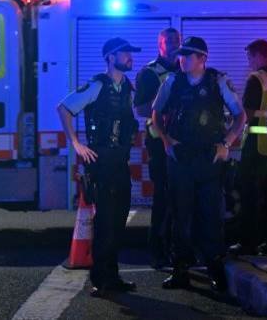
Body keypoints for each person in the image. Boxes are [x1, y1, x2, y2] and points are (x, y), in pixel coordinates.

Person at [152, 36, 246, 291]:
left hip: (209, 158)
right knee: (180, 215)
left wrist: (226, 143)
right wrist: (166, 141)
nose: (181, 59)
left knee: (210, 216)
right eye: (180, 55)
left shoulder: (218, 81)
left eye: (187, 55)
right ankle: (180, 269)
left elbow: (240, 116)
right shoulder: (172, 81)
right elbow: (156, 113)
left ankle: (215, 268)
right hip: (181, 158)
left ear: (202, 59)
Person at [57, 37, 141, 298]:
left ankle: (112, 276)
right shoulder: (97, 85)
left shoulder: (128, 86)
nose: (130, 57)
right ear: (110, 57)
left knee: (118, 220)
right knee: (105, 221)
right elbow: (64, 108)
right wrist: (76, 144)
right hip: (101, 161)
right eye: (125, 53)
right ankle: (101, 280)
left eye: (130, 53)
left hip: (119, 161)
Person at [133, 27, 181, 269]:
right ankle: (157, 252)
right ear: (160, 45)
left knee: (182, 199)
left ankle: (179, 250)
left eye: (176, 40)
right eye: (168, 41)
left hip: (184, 144)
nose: (173, 44)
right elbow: (140, 109)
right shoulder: (149, 73)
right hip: (159, 144)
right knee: (163, 198)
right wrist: (163, 104)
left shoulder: (185, 70)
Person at [238, 39, 267, 255]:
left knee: (249, 197)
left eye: (249, 58)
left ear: (258, 56)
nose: (249, 63)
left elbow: (246, 113)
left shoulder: (256, 79)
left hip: (255, 148)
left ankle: (248, 243)